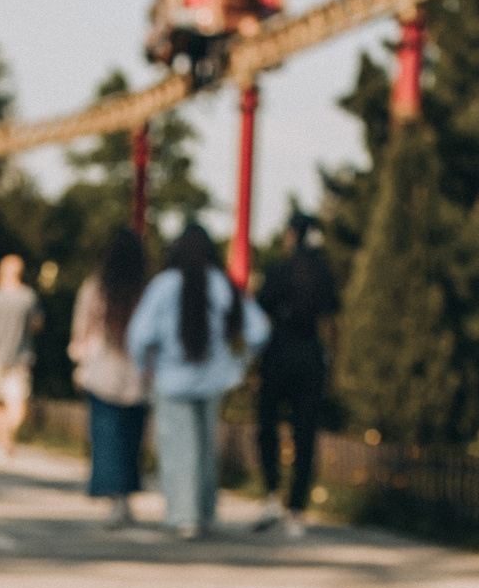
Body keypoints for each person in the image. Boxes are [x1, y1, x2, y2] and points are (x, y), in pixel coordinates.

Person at [128, 221, 270, 539]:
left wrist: (143, 369)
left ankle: (184, 515)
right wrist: (237, 363)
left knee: (179, 448)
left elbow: (139, 335)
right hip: (213, 380)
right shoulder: (222, 285)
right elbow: (259, 330)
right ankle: (205, 512)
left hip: (171, 378)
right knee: (205, 449)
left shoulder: (165, 285)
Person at [252, 215, 341, 537]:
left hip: (278, 354)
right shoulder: (323, 274)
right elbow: (332, 319)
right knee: (305, 434)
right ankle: (296, 508)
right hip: (310, 357)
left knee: (268, 426)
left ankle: (272, 493)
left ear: (291, 235)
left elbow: (259, 313)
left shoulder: (278, 272)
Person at [69, 227, 151, 526]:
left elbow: (82, 327)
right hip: (138, 374)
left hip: (102, 370)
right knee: (131, 440)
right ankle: (126, 494)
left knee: (106, 438)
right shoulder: (146, 290)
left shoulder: (96, 288)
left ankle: (114, 496)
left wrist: (78, 358)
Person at [0, 254, 42, 457]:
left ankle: (2, 439)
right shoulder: (28, 296)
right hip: (21, 356)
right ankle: (5, 439)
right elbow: (36, 324)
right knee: (18, 403)